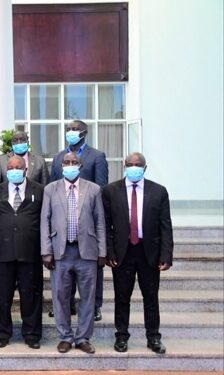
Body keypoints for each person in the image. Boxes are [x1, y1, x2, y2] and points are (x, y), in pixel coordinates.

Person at [102, 152, 172, 354]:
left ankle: (153, 338)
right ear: (124, 166)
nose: (133, 167)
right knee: (121, 298)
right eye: (130, 164)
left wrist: (166, 255)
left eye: (137, 164)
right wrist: (109, 251)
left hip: (148, 252)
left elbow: (165, 226)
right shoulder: (111, 191)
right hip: (122, 253)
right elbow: (106, 225)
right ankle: (121, 337)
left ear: (145, 167)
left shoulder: (159, 191)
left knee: (151, 297)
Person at [41, 152, 106, 354]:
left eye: (74, 162)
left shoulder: (93, 189)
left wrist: (102, 251)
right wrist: (46, 251)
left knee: (88, 297)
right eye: (66, 162)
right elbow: (45, 220)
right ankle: (65, 337)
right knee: (60, 297)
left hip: (86, 252)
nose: (70, 165)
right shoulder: (50, 189)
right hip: (60, 252)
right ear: (61, 166)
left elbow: (100, 222)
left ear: (80, 165)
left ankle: (83, 338)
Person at [49, 120, 108, 321]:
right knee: (65, 270)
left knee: (91, 273)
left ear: (84, 132)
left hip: (87, 221)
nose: (71, 132)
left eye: (74, 129)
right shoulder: (59, 157)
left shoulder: (97, 156)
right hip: (63, 223)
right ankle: (67, 305)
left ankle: (95, 306)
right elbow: (53, 189)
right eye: (68, 129)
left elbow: (102, 187)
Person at [0, 155, 45, 349]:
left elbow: (44, 221)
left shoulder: (39, 191)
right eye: (11, 167)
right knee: (1, 296)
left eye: (18, 167)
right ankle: (1, 333)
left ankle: (31, 334)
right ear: (6, 169)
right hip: (3, 252)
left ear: (25, 169)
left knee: (31, 296)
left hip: (30, 252)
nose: (14, 170)